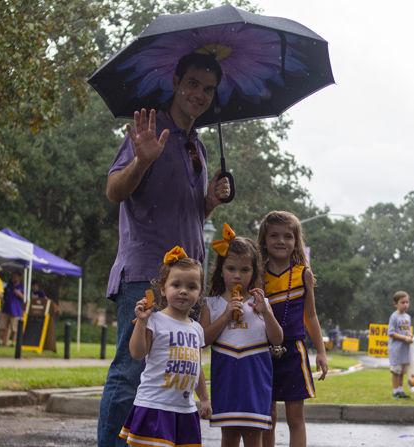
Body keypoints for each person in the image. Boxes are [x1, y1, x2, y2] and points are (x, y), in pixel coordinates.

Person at [98, 52, 231, 447]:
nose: (200, 94)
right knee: (131, 370)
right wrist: (141, 161)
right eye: (193, 83)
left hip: (186, 280)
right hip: (146, 274)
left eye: (208, 88)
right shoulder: (149, 131)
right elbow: (114, 192)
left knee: (168, 372)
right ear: (175, 81)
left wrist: (210, 200)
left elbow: (186, 211)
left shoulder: (198, 147)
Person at [200, 225, 283, 447]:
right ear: (221, 270)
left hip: (255, 379)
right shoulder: (212, 304)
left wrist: (265, 313)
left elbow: (277, 339)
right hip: (226, 379)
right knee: (228, 435)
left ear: (254, 272)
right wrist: (226, 316)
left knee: (254, 435)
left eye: (245, 270)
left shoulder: (261, 303)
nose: (237, 275)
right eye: (231, 268)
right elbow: (203, 340)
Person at [119, 246, 211, 446]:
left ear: (200, 292)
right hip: (154, 406)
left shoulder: (197, 329)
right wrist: (141, 322)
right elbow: (137, 352)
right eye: (176, 284)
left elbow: (197, 369)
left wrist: (204, 399)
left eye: (192, 287)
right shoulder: (155, 320)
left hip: (185, 410)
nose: (183, 291)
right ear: (163, 288)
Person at [258, 211, 328, 447]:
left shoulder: (303, 274)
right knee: (267, 416)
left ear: (296, 241)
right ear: (264, 240)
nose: (281, 241)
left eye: (288, 236)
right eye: (274, 235)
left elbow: (311, 315)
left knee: (295, 416)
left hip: (294, 351)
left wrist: (321, 351)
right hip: (261, 350)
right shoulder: (257, 274)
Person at [387, 291, 413, 399]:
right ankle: (395, 391)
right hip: (396, 349)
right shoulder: (394, 316)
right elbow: (391, 333)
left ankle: (401, 390)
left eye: (407, 302)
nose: (405, 304)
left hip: (405, 349)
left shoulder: (408, 317)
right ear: (396, 304)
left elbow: (407, 330)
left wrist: (410, 335)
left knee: (402, 371)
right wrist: (404, 338)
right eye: (402, 302)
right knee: (396, 371)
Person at [0, 271, 25, 347]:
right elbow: (3, 295)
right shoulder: (9, 286)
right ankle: (1, 341)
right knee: (2, 326)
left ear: (19, 277)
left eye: (15, 276)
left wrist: (20, 294)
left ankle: (14, 342)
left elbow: (25, 299)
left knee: (15, 328)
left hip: (16, 310)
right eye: (12, 276)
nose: (13, 278)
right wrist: (2, 299)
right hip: (6, 309)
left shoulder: (22, 287)